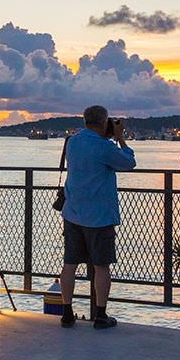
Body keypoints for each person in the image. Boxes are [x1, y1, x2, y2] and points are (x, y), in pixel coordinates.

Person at [59, 105, 136, 329]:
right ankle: (100, 315)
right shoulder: (104, 147)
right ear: (105, 122)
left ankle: (67, 312)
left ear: (85, 121)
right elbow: (128, 163)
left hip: (73, 212)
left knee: (69, 264)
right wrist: (120, 139)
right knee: (101, 266)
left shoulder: (73, 142)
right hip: (99, 216)